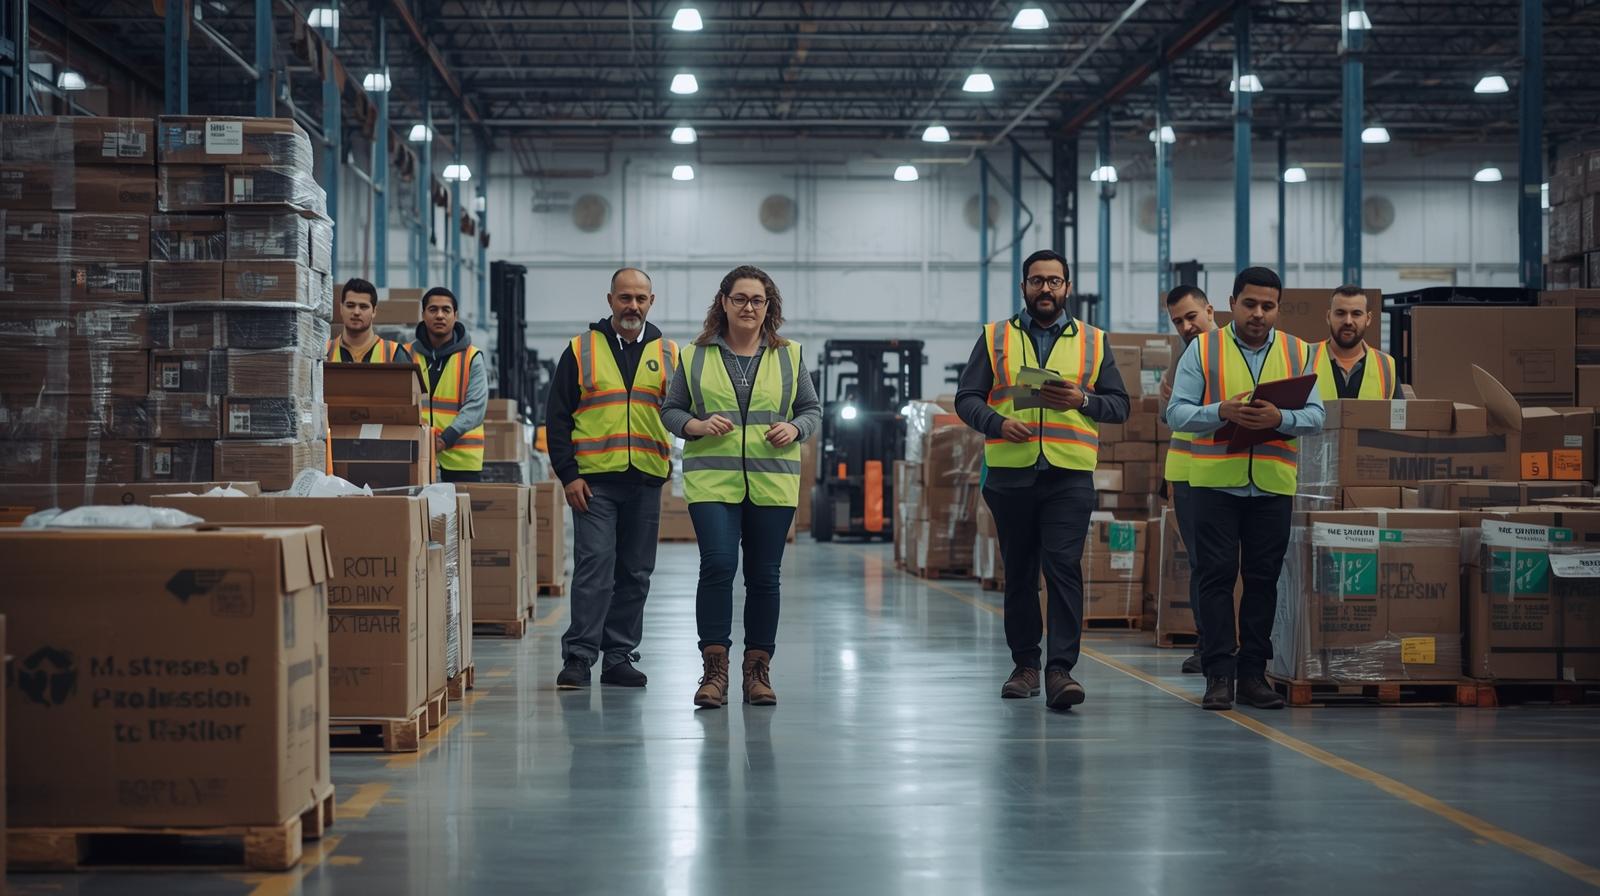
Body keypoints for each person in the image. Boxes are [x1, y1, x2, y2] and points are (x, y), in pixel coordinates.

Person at [955, 249, 1130, 711]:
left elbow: (1120, 405)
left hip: (1068, 475)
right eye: (1037, 281)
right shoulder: (995, 337)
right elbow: (966, 397)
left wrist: (1083, 400)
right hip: (1010, 475)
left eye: (1054, 281)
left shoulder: (1093, 341)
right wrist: (995, 423)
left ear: (1067, 287)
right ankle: (1025, 666)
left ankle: (1060, 670)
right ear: (1024, 288)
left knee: (1063, 568)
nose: (1045, 289)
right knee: (1019, 573)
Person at [660, 265, 821, 709]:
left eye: (758, 300)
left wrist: (795, 428)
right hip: (713, 481)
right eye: (740, 299)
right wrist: (694, 423)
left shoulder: (789, 355)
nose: (749, 307)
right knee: (717, 565)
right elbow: (671, 410)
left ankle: (757, 671)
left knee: (764, 577)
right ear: (724, 302)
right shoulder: (694, 355)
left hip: (773, 483)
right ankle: (714, 671)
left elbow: (811, 409)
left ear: (769, 307)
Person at [1166, 266, 1326, 711]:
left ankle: (1254, 676)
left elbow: (1318, 416)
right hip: (1215, 486)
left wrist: (1281, 419)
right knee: (1215, 579)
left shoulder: (1299, 352)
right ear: (1233, 303)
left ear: (1278, 307)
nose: (1258, 313)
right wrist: (1223, 411)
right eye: (1250, 304)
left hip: (1272, 487)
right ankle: (1219, 676)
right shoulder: (1204, 348)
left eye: (1268, 306)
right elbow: (1176, 414)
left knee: (1263, 581)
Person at [546, 268, 678, 690]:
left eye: (640, 298)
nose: (632, 306)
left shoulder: (671, 353)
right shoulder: (581, 349)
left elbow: (683, 414)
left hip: (646, 481)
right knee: (595, 568)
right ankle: (580, 658)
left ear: (651, 302)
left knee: (636, 572)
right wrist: (568, 475)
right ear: (610, 300)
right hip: (594, 483)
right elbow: (557, 416)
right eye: (625, 298)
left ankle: (619, 656)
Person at [1158, 285, 1217, 676]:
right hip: (1189, 475)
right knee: (1203, 565)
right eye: (1178, 321)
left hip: (1234, 470)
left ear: (1210, 310)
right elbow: (1170, 414)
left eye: (1191, 316)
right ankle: (1207, 644)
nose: (1186, 326)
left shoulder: (1233, 354)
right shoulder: (1179, 364)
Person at [409, 287, 487, 483]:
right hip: (415, 455)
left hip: (461, 463)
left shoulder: (472, 358)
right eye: (433, 309)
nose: (440, 315)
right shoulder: (407, 355)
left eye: (446, 310)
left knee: (458, 515)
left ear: (455, 315)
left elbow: (476, 407)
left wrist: (445, 438)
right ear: (423, 314)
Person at [1308, 285, 1399, 400]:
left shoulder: (1386, 366)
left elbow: (1397, 416)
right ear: (1328, 317)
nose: (1348, 321)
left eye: (1356, 314)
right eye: (1340, 313)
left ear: (1368, 319)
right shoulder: (1305, 358)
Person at [326, 278, 411, 364]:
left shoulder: (394, 354)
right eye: (350, 306)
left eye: (363, 307)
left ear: (374, 311)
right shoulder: (325, 352)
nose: (356, 312)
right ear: (341, 309)